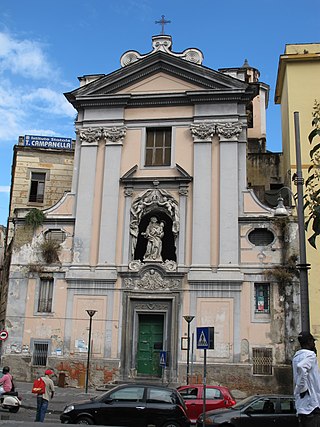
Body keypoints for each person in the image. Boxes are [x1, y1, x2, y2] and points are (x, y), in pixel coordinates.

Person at [292, 331, 320, 426]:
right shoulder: (310, 355)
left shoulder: (296, 357)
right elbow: (301, 367)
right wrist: (303, 388)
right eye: (313, 341)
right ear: (309, 342)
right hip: (312, 406)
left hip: (301, 406)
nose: (314, 344)